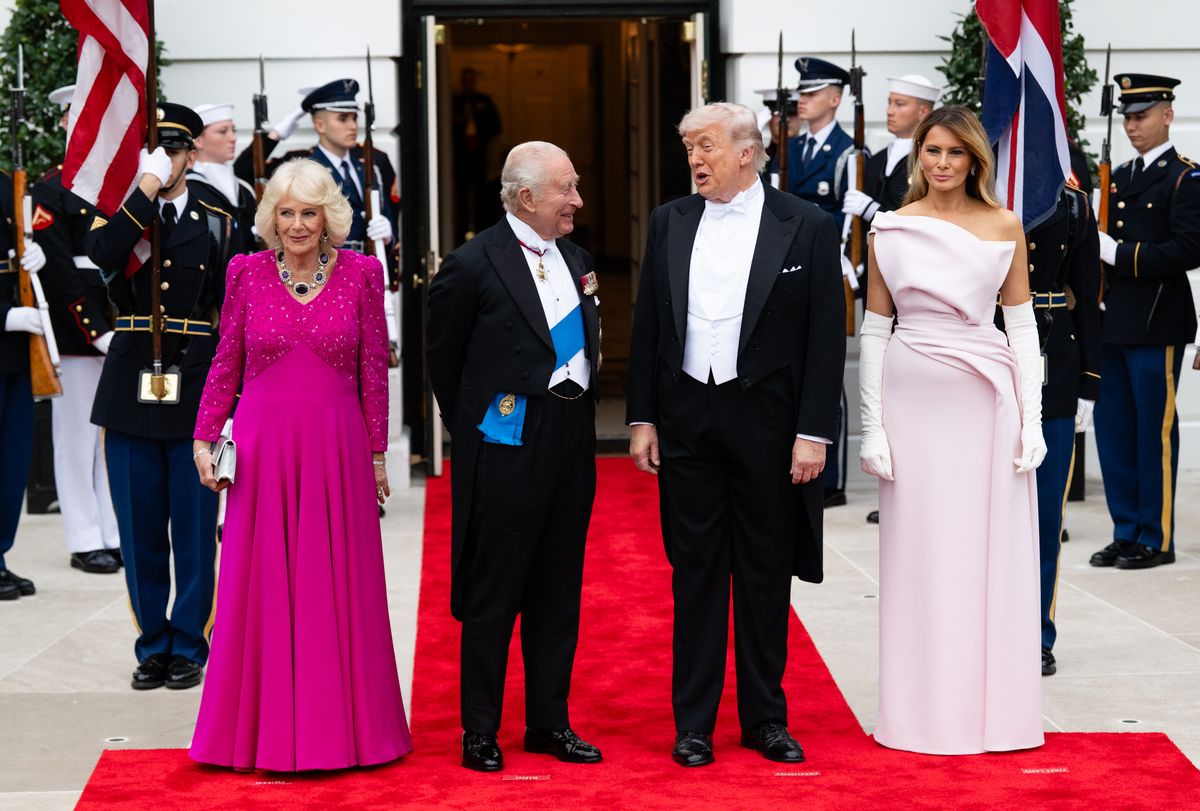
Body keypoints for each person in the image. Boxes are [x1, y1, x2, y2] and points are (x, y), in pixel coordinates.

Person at [627, 102, 845, 768]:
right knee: (694, 575)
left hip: (769, 425)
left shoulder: (805, 224)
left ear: (747, 152)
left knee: (762, 574)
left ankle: (765, 718)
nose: (694, 157)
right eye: (689, 145)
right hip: (688, 416)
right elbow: (647, 325)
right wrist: (642, 415)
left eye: (707, 145)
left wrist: (814, 431)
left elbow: (823, 337)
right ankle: (693, 722)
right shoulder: (670, 220)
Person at [188, 158, 411, 771]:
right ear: (271, 218)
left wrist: (375, 454)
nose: (296, 224)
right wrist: (206, 436)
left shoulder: (363, 273)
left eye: (308, 212)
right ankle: (254, 733)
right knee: (260, 584)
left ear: (328, 217)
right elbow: (226, 358)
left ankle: (347, 731)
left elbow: (372, 371)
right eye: (285, 212)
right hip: (263, 450)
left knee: (338, 585)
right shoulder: (246, 273)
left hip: (337, 448)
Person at [860, 106, 1044, 754]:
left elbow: (1021, 323)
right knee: (920, 558)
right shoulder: (891, 227)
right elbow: (875, 328)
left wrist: (1034, 416)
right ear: (919, 157)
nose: (941, 163)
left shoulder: (1004, 223)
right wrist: (872, 426)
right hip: (912, 407)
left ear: (974, 161)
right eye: (932, 151)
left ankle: (992, 712)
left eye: (954, 153)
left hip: (986, 401)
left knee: (985, 554)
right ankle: (919, 712)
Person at [427, 141, 602, 773]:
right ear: (526, 197)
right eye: (566, 190)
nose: (577, 201)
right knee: (494, 593)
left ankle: (549, 723)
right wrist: (477, 434)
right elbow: (443, 361)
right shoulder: (472, 264)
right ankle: (480, 730)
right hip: (505, 446)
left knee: (559, 589)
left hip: (571, 438)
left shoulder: (578, 257)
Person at [86, 103, 234, 690]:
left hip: (195, 382)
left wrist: (235, 392)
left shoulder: (219, 216)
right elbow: (101, 257)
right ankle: (151, 643)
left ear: (191, 154)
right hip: (129, 388)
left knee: (194, 527)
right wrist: (144, 187)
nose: (165, 159)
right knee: (139, 524)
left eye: (174, 150)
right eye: (156, 150)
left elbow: (232, 307)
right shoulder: (120, 215)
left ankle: (187, 642)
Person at [1090, 74, 1199, 570]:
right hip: (1114, 323)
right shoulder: (1123, 176)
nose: (1133, 126)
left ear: (1168, 115)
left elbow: (1188, 250)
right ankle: (1125, 530)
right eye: (1128, 118)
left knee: (1154, 434)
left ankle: (1156, 537)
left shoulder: (1185, 178)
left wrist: (1121, 254)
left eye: (1143, 116)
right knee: (1114, 431)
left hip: (1157, 323)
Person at [1007, 176, 1102, 678]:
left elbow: (1087, 295)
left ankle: (1036, 631)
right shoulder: (977, 193)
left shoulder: (1074, 205)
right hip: (988, 360)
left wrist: (1090, 381)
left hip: (1056, 363)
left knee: (1045, 513)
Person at [842, 74, 939, 525]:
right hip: (882, 286)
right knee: (886, 391)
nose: (891, 110)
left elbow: (921, 225)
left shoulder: (928, 164)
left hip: (915, 292)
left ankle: (922, 485)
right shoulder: (879, 158)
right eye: (890, 102)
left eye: (901, 103)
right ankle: (894, 484)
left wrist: (871, 212)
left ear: (923, 112)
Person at [31, 84, 121, 574]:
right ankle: (84, 536)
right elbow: (62, 271)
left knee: (113, 438)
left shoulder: (115, 183)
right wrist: (95, 330)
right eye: (79, 117)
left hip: (120, 327)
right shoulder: (51, 189)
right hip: (77, 333)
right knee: (77, 439)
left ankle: (111, 528)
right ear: (66, 123)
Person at [786, 57, 856, 509]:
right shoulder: (788, 148)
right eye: (801, 94)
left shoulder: (850, 153)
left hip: (824, 263)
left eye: (812, 94)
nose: (802, 100)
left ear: (835, 98)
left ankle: (832, 479)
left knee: (825, 363)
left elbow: (845, 220)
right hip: (784, 267)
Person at [0, 169, 49, 600]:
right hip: (6, 327)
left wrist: (36, 258)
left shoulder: (6, 182)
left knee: (12, 459)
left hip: (14, 349)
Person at [189, 103, 258, 253]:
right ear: (198, 140)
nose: (233, 138)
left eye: (233, 130)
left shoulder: (243, 188)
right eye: (222, 131)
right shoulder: (188, 188)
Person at [451, 67, 502, 241]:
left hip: (480, 155)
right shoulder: (455, 101)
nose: (469, 83)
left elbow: (496, 126)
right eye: (466, 80)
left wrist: (483, 135)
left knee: (482, 195)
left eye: (472, 80)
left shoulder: (483, 100)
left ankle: (482, 233)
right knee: (461, 196)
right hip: (460, 156)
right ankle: (460, 234)